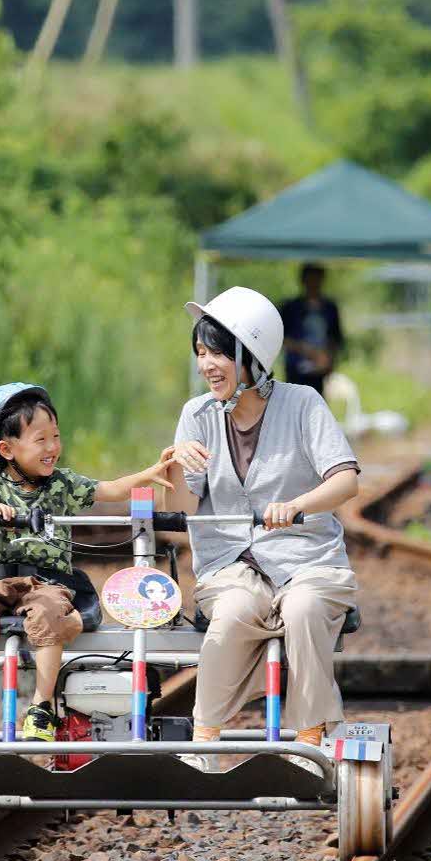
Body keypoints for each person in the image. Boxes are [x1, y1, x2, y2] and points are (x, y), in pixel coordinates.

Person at [160, 286, 361, 757]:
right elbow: (183, 500)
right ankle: (204, 740)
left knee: (304, 609)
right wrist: (174, 462)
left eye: (218, 354)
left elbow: (346, 480)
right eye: (201, 353)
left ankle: (310, 740)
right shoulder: (197, 414)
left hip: (307, 556)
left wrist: (299, 504)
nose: (207, 365)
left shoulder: (303, 403)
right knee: (230, 615)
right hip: (228, 564)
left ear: (251, 356)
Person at [0, 383, 171, 743]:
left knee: (49, 615)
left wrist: (146, 474)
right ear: (7, 449)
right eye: (41, 440)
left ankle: (41, 705)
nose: (53, 448)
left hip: (47, 581)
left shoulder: (61, 484)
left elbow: (107, 489)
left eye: (56, 437)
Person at [278, 264, 345, 399]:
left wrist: (328, 359)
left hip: (319, 371)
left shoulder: (330, 308)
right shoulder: (290, 308)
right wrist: (307, 350)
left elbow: (335, 338)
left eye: (317, 279)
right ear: (303, 281)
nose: (314, 283)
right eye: (310, 279)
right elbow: (281, 338)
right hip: (295, 369)